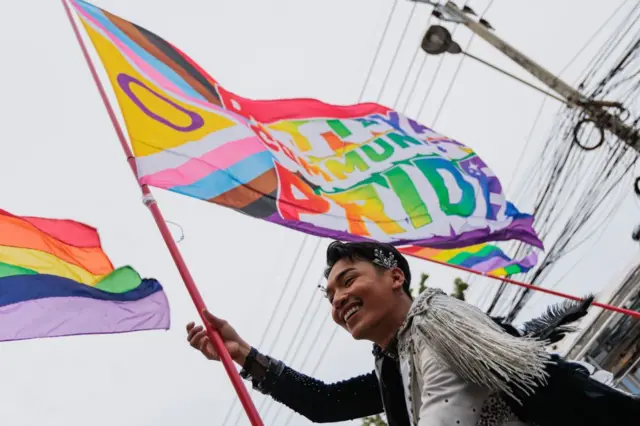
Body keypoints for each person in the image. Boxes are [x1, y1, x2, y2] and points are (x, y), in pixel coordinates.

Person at [187, 241, 639, 425]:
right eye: (329, 296)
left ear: (395, 277)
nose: (338, 300)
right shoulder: (397, 359)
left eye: (348, 281)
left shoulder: (437, 323)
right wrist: (243, 354)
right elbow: (327, 404)